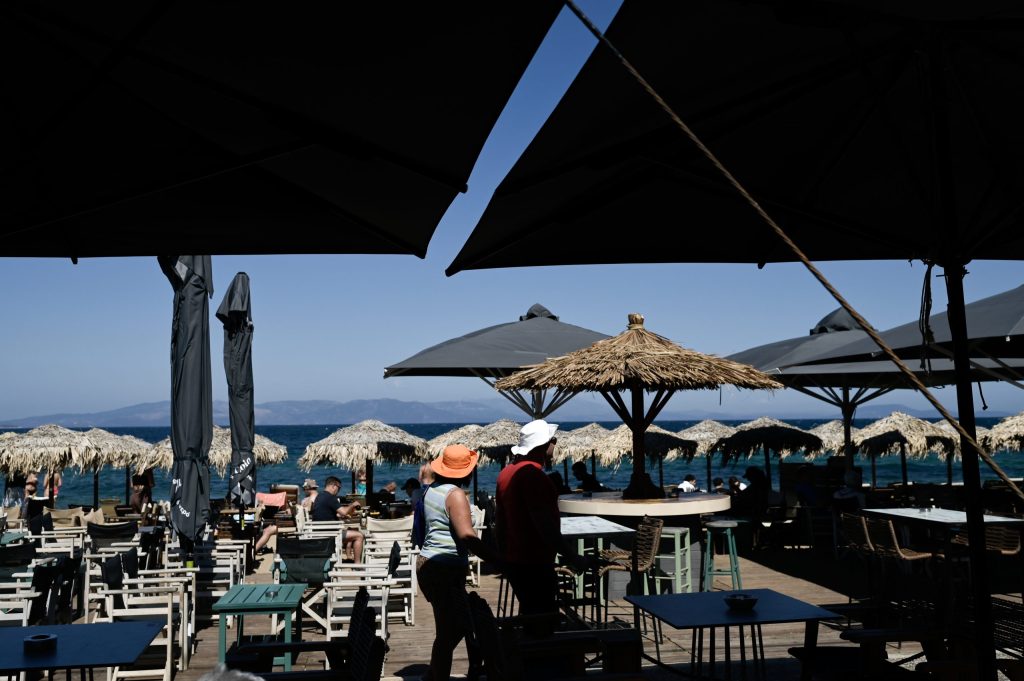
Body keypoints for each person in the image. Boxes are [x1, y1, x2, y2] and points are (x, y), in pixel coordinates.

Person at [417, 444, 498, 681]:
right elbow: (467, 536)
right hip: (444, 568)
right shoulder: (455, 495)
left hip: (429, 563)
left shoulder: (431, 490)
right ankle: (435, 676)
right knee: (453, 630)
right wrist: (497, 559)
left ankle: (433, 675)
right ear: (466, 472)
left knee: (449, 628)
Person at [496, 419, 582, 628]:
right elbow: (545, 526)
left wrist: (502, 555)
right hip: (535, 561)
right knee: (544, 622)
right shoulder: (533, 477)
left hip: (515, 559)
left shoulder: (506, 473)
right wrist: (572, 556)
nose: (555, 442)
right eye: (553, 439)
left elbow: (500, 520)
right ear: (543, 445)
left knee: (532, 616)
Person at [311, 475, 364, 563]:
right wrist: (353, 504)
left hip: (320, 531)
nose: (338, 491)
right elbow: (343, 512)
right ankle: (358, 564)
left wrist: (343, 514)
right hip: (331, 533)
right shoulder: (330, 497)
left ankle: (352, 558)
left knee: (351, 531)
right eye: (339, 488)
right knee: (359, 536)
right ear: (333, 486)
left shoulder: (320, 496)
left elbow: (331, 513)